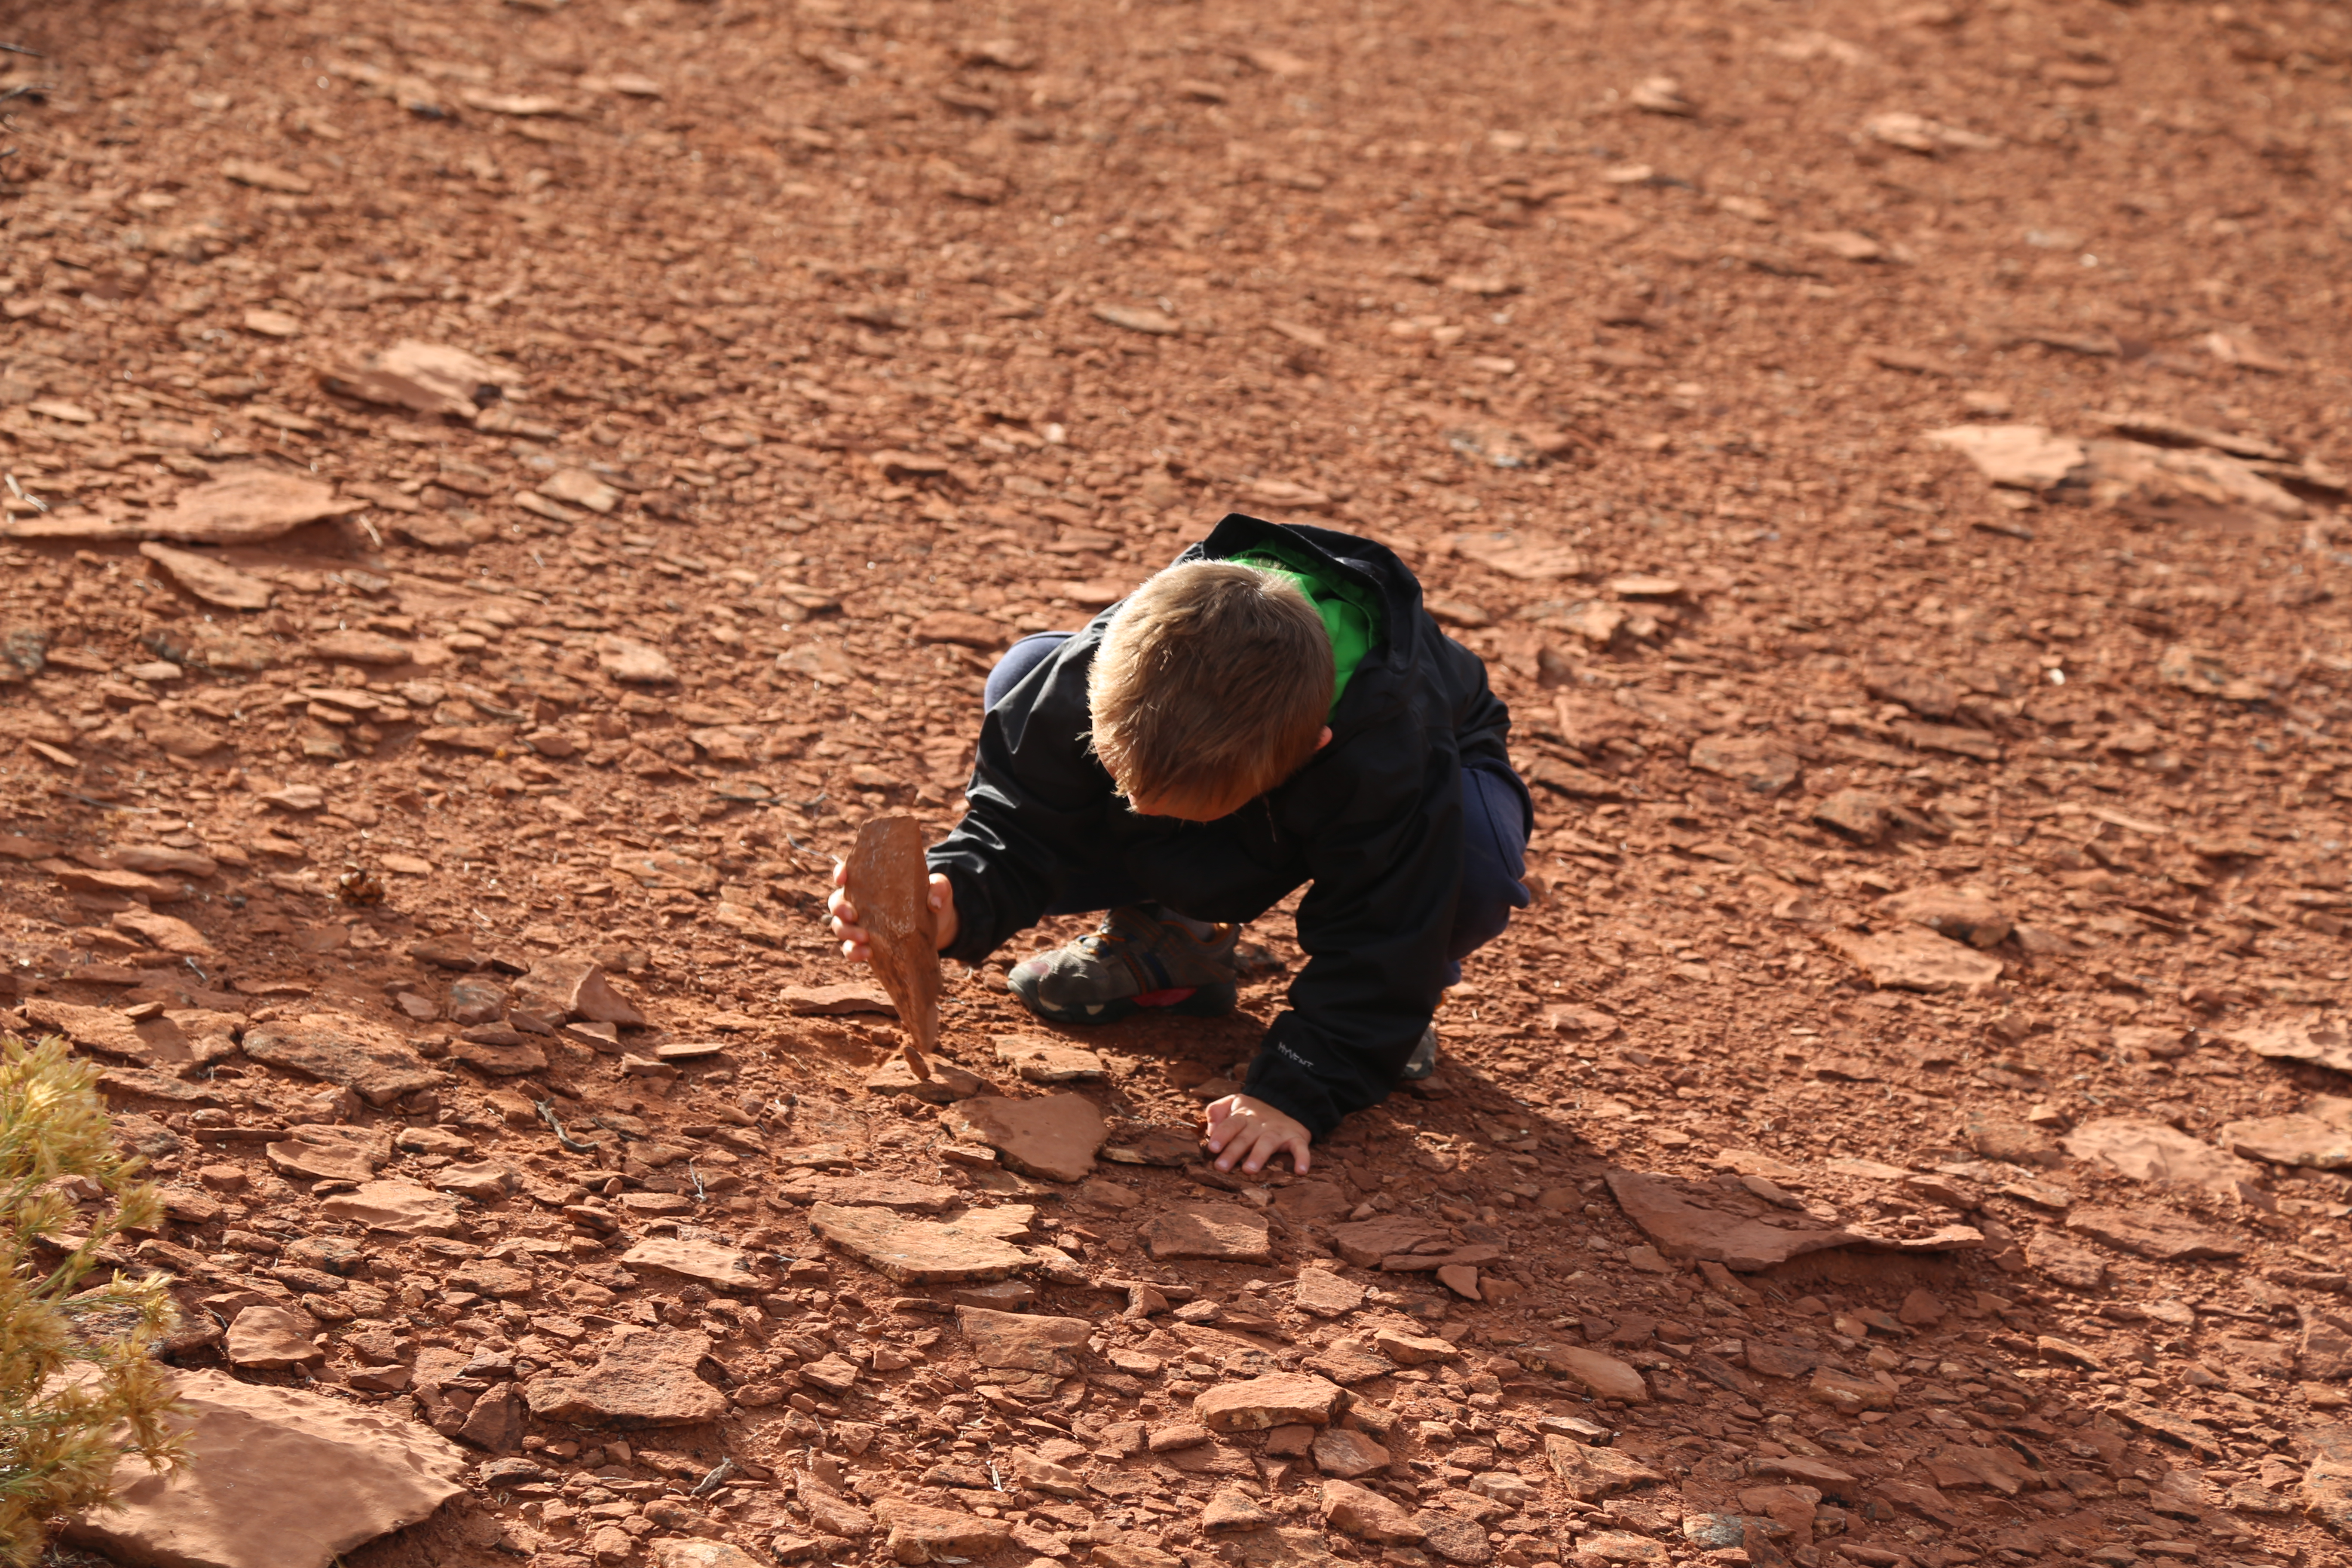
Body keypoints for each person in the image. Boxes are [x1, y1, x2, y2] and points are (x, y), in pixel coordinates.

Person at [828, 513, 1531, 1177]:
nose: (1137, 811)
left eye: (1161, 803)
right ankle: (1169, 939)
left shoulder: (1385, 749)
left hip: (1413, 786)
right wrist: (956, 894)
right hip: (1239, 773)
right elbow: (1025, 819)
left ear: (1311, 752)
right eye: (1120, 779)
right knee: (1027, 673)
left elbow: (1389, 920)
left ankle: (1387, 1019)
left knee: (1467, 858)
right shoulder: (1097, 670)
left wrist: (1303, 1085)